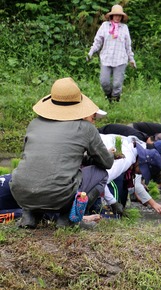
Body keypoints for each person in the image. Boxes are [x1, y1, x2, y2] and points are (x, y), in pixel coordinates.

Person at [10, 77, 114, 228]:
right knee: (101, 174)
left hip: (21, 192)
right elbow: (107, 163)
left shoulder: (34, 124)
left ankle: (30, 216)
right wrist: (107, 154)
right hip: (59, 196)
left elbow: (34, 157)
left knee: (34, 171)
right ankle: (69, 219)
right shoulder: (85, 128)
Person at [87, 4, 136, 102]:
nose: (117, 17)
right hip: (106, 58)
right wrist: (90, 53)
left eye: (119, 15)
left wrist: (131, 59)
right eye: (115, 15)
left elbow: (128, 45)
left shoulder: (124, 28)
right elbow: (97, 42)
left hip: (120, 59)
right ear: (112, 16)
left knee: (117, 84)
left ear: (122, 17)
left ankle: (115, 101)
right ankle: (109, 96)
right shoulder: (105, 26)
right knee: (104, 81)